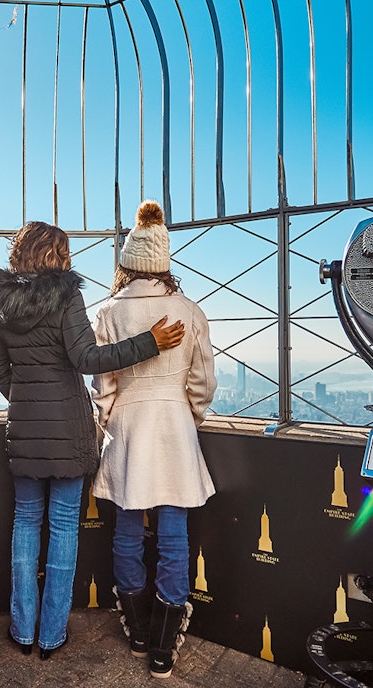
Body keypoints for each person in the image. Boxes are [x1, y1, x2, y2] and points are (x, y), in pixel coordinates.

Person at [0, 222, 185, 661]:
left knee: (24, 525)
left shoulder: (1, 301)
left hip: (25, 428)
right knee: (63, 528)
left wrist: (24, 397)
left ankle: (22, 629)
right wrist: (149, 342)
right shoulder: (65, 295)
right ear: (56, 255)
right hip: (69, 429)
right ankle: (51, 634)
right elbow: (88, 359)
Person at [91, 200, 218, 679]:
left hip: (126, 428)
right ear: (165, 261)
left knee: (126, 532)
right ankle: (164, 647)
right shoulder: (189, 310)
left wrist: (112, 424)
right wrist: (189, 417)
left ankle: (139, 631)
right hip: (175, 428)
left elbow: (103, 386)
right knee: (173, 537)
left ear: (127, 262)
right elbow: (203, 383)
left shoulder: (107, 311)